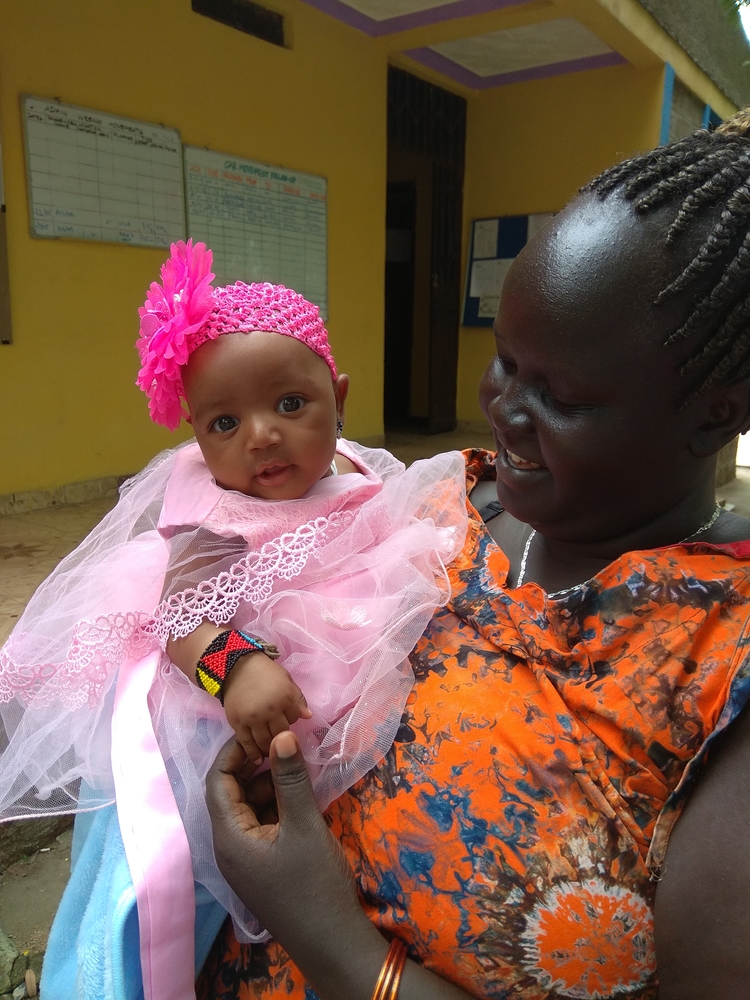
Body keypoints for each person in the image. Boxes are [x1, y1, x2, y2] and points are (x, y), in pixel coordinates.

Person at [197, 113, 750, 1000]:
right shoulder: (428, 499)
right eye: (504, 361)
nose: (500, 406)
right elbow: (186, 604)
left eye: (559, 395)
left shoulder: (721, 661)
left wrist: (331, 939)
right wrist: (232, 671)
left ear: (717, 415)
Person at [0, 243, 466, 1000]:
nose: (260, 435)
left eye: (290, 404)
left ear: (337, 396)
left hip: (315, 689)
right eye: (223, 422)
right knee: (154, 880)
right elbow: (177, 612)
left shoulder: (354, 468)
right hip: (203, 723)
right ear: (194, 432)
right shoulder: (210, 510)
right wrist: (235, 665)